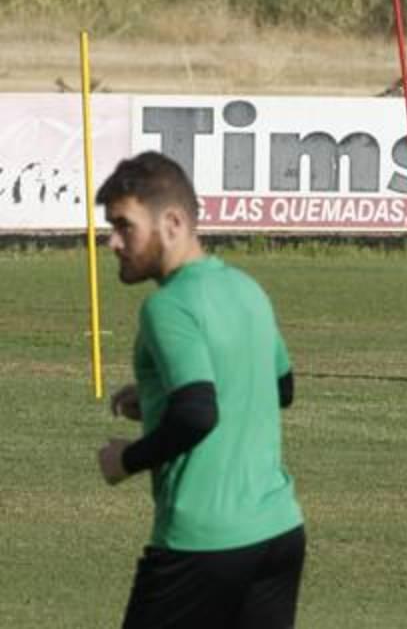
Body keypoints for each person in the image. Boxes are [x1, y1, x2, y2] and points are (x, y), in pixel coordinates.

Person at [94, 151, 305, 629]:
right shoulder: (246, 288)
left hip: (204, 543)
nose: (112, 242)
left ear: (172, 222)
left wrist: (126, 459)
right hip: (279, 532)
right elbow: (280, 386)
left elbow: (196, 414)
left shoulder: (167, 307)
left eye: (125, 226)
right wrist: (153, 398)